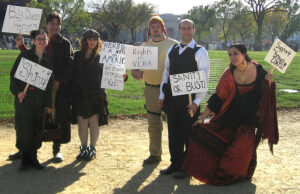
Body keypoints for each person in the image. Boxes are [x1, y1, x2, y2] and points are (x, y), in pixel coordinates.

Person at [182, 43, 278, 185]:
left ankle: (241, 171)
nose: (232, 57)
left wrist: (269, 83)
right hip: (228, 119)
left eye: (236, 53)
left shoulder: (259, 71)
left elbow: (266, 95)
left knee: (237, 155)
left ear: (244, 54)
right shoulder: (229, 74)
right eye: (230, 54)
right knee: (200, 133)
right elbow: (217, 98)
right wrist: (202, 118)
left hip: (248, 122)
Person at [13, 11, 74, 163]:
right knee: (29, 118)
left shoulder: (65, 43)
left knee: (56, 117)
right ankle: (24, 150)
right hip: (35, 85)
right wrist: (21, 45)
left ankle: (56, 148)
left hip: (55, 87)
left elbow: (70, 65)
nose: (55, 26)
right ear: (46, 24)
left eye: (57, 24)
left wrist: (59, 80)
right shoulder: (41, 38)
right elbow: (31, 57)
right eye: (52, 23)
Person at [158, 19, 210, 178]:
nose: (186, 31)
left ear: (194, 30)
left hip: (189, 102)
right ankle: (175, 163)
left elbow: (204, 78)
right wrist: (161, 95)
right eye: (183, 28)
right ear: (179, 30)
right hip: (172, 99)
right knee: (173, 133)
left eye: (189, 28)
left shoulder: (200, 51)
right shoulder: (172, 49)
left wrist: (196, 102)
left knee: (189, 134)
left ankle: (188, 167)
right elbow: (166, 72)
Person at [131, 14, 178, 165]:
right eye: (152, 26)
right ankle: (155, 154)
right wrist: (136, 73)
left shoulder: (174, 45)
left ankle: (176, 157)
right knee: (153, 123)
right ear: (149, 29)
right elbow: (135, 71)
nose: (155, 29)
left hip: (170, 90)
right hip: (151, 88)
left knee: (174, 123)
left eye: (158, 26)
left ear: (163, 28)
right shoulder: (143, 48)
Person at [10, 29, 53, 171]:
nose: (42, 41)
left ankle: (33, 158)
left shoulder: (48, 60)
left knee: (36, 129)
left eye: (44, 39)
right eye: (39, 39)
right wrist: (18, 93)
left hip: (39, 102)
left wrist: (48, 104)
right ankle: (25, 158)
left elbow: (49, 85)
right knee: (24, 129)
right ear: (33, 41)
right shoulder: (25, 56)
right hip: (25, 100)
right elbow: (13, 77)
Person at [72, 29, 108, 161]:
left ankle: (92, 148)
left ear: (98, 41)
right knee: (82, 122)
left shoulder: (101, 58)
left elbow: (109, 75)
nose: (92, 42)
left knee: (93, 121)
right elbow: (72, 74)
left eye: (95, 39)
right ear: (85, 41)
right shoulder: (77, 56)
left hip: (96, 94)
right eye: (90, 39)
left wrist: (122, 77)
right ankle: (83, 148)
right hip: (80, 93)